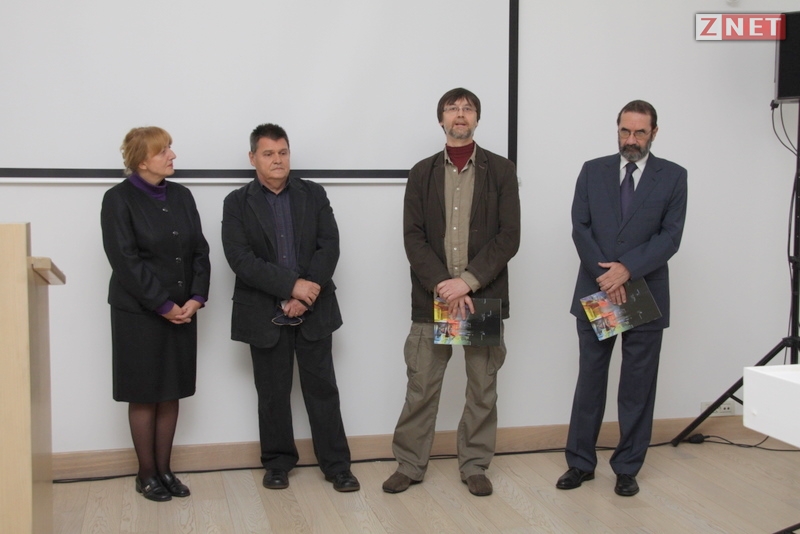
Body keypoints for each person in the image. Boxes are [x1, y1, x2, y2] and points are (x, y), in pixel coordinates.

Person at [382, 88, 520, 497]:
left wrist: (468, 282)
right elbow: (413, 237)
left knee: (481, 387)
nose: (460, 114)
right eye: (452, 108)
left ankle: (474, 465)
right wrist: (445, 284)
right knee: (422, 386)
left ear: (477, 118)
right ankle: (410, 465)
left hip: (480, 297)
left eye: (468, 108)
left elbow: (509, 236)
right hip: (434, 299)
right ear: (441, 118)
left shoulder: (501, 170)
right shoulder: (420, 173)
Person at [557, 100, 688, 497]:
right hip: (599, 288)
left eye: (639, 133)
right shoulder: (592, 170)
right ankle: (580, 463)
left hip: (644, 290)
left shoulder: (674, 176)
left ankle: (627, 467)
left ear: (654, 133)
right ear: (617, 130)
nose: (631, 140)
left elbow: (670, 236)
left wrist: (627, 269)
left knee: (637, 387)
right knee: (590, 382)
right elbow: (580, 227)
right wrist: (607, 276)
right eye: (625, 131)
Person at [221, 123, 359, 493]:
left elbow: (329, 245)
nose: (278, 160)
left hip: (313, 308)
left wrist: (304, 293)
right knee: (272, 394)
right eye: (268, 153)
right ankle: (278, 463)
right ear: (252, 158)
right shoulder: (236, 203)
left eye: (283, 152)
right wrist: (289, 287)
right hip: (263, 312)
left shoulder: (313, 194)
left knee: (323, 391)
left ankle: (337, 466)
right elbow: (240, 258)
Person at [101, 126, 211, 502]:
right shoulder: (118, 199)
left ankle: (165, 470)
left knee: (170, 392)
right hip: (139, 313)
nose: (172, 156)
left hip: (182, 309)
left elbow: (199, 250)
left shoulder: (181, 195)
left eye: (170, 149)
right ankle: (146, 473)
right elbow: (125, 261)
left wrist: (197, 297)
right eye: (163, 151)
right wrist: (163, 306)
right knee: (144, 393)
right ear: (142, 160)